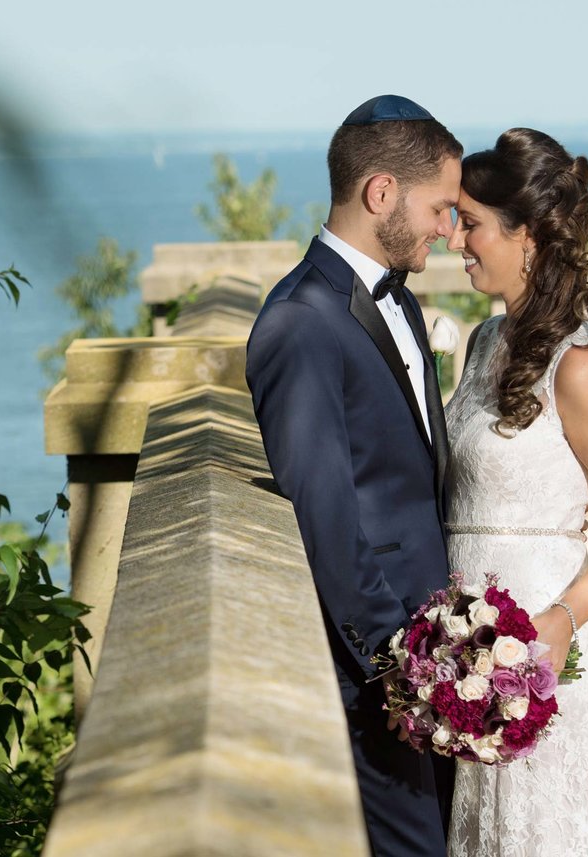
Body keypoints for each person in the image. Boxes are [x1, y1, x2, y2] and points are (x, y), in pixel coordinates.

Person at [245, 95, 462, 857]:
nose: (449, 227)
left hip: (440, 656)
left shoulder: (397, 300)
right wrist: (397, 663)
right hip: (382, 677)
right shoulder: (299, 322)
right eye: (439, 207)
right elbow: (325, 514)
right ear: (381, 194)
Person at [442, 128, 588, 856]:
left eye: (469, 223)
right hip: (465, 652)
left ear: (526, 232)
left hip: (545, 646)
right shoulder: (482, 341)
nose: (454, 241)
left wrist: (559, 621)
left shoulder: (581, 368)